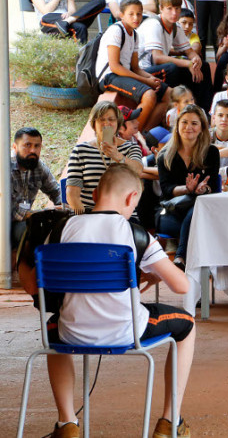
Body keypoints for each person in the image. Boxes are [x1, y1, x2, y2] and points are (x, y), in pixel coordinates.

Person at [23, 165, 196, 438]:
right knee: (186, 325)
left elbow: (33, 284)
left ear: (94, 193)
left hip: (72, 332)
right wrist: (156, 274)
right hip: (127, 332)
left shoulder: (61, 230)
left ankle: (67, 423)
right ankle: (170, 421)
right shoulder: (137, 235)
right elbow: (182, 285)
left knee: (52, 327)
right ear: (131, 199)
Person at [156, 105, 219, 271]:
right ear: (177, 126)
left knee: (198, 209)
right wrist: (187, 189)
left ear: (202, 128)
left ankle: (181, 256)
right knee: (197, 224)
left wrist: (202, 190)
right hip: (171, 212)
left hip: (200, 211)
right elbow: (166, 189)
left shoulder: (211, 152)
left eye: (194, 123)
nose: (188, 127)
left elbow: (212, 186)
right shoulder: (165, 155)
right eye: (184, 122)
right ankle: (196, 287)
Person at [97, 0, 170, 131]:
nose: (136, 17)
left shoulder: (135, 35)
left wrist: (149, 77)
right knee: (149, 95)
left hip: (123, 74)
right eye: (131, 14)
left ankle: (146, 133)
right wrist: (146, 81)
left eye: (139, 13)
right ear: (121, 15)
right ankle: (134, 135)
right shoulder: (116, 31)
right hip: (109, 77)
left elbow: (135, 68)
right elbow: (115, 66)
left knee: (168, 93)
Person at [137, 0, 210, 110]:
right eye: (169, 8)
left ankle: (202, 111)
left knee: (204, 66)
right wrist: (188, 63)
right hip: (142, 71)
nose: (174, 13)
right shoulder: (154, 24)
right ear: (161, 8)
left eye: (177, 9)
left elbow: (190, 51)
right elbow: (158, 58)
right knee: (172, 68)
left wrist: (196, 60)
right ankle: (174, 109)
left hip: (157, 68)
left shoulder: (175, 26)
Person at [66, 102, 143, 214]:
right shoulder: (81, 150)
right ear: (94, 124)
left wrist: (117, 156)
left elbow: (138, 171)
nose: (106, 123)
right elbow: (72, 192)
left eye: (111, 119)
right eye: (101, 120)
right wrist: (82, 215)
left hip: (122, 214)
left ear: (118, 123)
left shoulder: (131, 147)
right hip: (90, 212)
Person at [10, 127, 62, 248]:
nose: (33, 150)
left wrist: (63, 205)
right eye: (27, 145)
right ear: (15, 147)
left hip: (22, 221)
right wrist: (38, 213)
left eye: (37, 146)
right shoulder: (4, 168)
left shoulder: (38, 166)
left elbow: (55, 190)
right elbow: (10, 211)